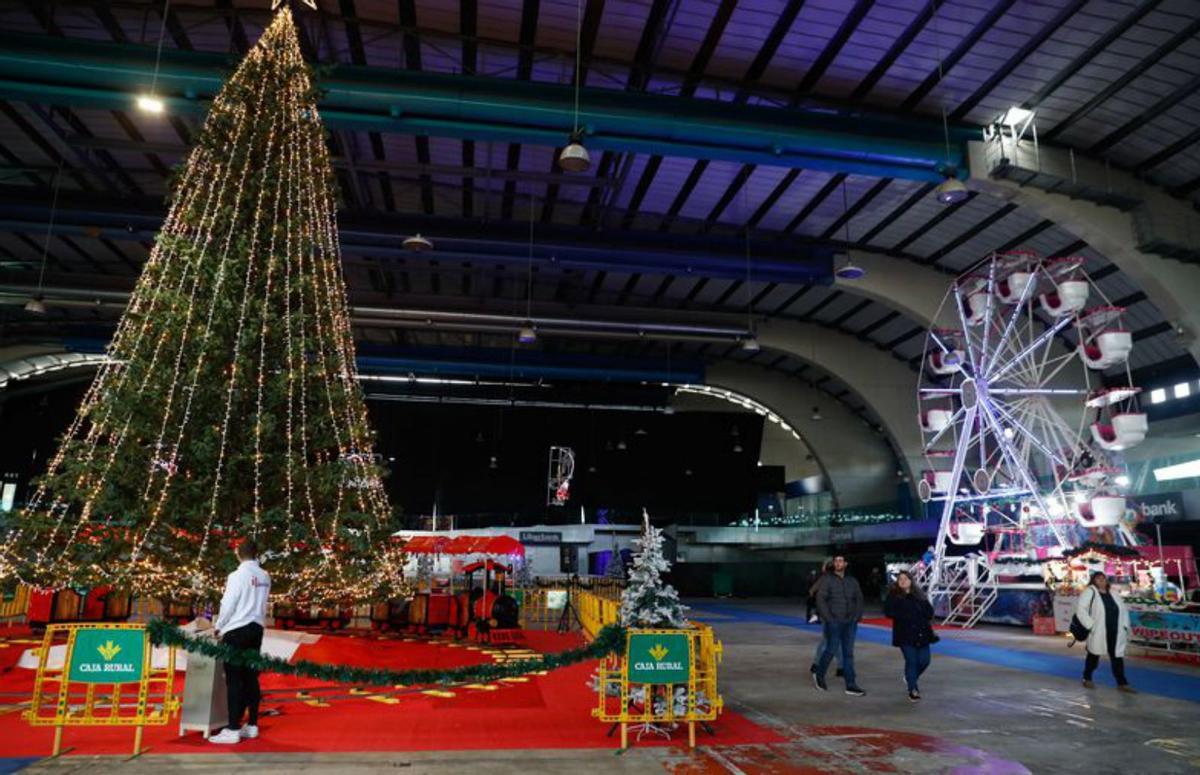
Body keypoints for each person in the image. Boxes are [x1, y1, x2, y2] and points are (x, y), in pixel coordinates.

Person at [209, 539, 272, 744]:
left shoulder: (237, 576)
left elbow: (229, 602)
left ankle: (233, 728)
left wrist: (219, 625)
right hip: (256, 628)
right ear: (256, 554)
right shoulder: (265, 576)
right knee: (251, 677)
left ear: (238, 553)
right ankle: (252, 724)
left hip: (236, 629)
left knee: (234, 679)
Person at [1075, 571, 1136, 693]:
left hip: (1115, 630)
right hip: (1099, 631)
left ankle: (1122, 683)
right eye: (1098, 579)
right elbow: (1080, 610)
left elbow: (1123, 609)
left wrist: (1124, 625)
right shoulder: (1090, 592)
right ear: (1093, 580)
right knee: (1093, 656)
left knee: (1117, 657)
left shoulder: (1113, 593)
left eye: (1103, 579)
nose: (1102, 581)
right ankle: (1087, 677)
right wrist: (1091, 625)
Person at [813, 555, 865, 696]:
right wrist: (829, 618)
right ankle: (819, 675)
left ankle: (851, 684)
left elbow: (859, 599)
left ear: (846, 564)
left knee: (848, 653)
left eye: (841, 561)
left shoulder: (852, 581)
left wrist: (856, 616)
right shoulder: (827, 580)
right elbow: (820, 599)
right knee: (831, 649)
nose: (838, 563)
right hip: (834, 622)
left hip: (850, 623)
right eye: (836, 561)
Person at [883, 570, 935, 702]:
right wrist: (903, 615)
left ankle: (910, 677)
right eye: (900, 579)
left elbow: (929, 612)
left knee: (924, 661)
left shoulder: (920, 596)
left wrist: (924, 616)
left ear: (911, 581)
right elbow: (888, 612)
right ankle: (913, 689)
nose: (903, 581)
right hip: (905, 634)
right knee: (911, 661)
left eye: (905, 578)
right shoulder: (894, 596)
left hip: (922, 633)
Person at [807, 561, 843, 677]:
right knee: (830, 641)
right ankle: (819, 665)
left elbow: (812, 591)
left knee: (830, 641)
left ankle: (820, 665)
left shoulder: (824, 579)